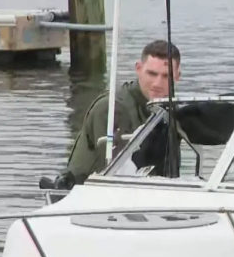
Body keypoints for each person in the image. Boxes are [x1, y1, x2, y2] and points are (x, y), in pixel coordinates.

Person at [54, 40, 182, 189]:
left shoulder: (170, 110)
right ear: (139, 69)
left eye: (166, 76)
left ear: (177, 76)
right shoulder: (111, 109)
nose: (157, 83)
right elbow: (118, 172)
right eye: (152, 74)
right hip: (89, 196)